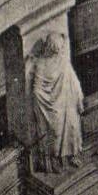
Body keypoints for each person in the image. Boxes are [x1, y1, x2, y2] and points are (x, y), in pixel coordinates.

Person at [27, 31, 84, 171]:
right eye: (56, 49)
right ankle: (56, 159)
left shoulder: (63, 61)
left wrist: (79, 98)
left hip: (67, 101)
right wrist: (44, 103)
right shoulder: (41, 64)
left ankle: (72, 155)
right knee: (56, 134)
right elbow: (37, 89)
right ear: (51, 48)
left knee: (73, 127)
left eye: (60, 49)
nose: (59, 52)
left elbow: (74, 80)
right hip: (51, 106)